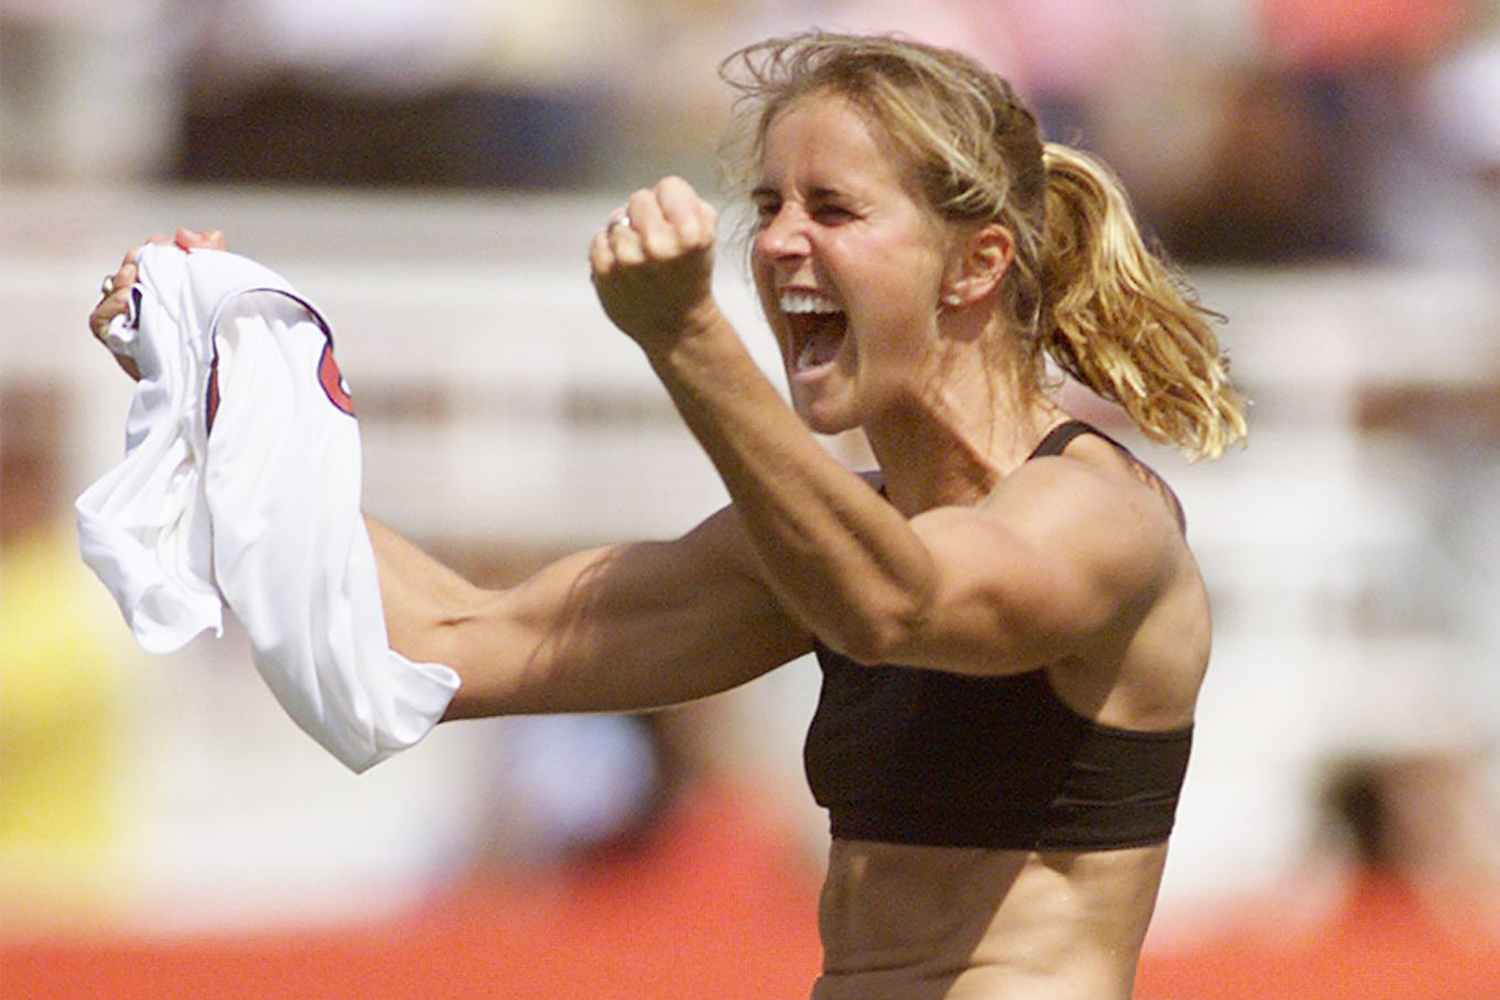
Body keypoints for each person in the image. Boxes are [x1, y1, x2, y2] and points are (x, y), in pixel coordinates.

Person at [89, 30, 1246, 1000]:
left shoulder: (1101, 514)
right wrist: (226, 392)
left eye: (835, 208)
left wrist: (688, 338)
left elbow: (901, 602)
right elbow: (446, 642)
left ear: (976, 262)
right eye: (769, 204)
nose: (782, 240)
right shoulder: (811, 543)